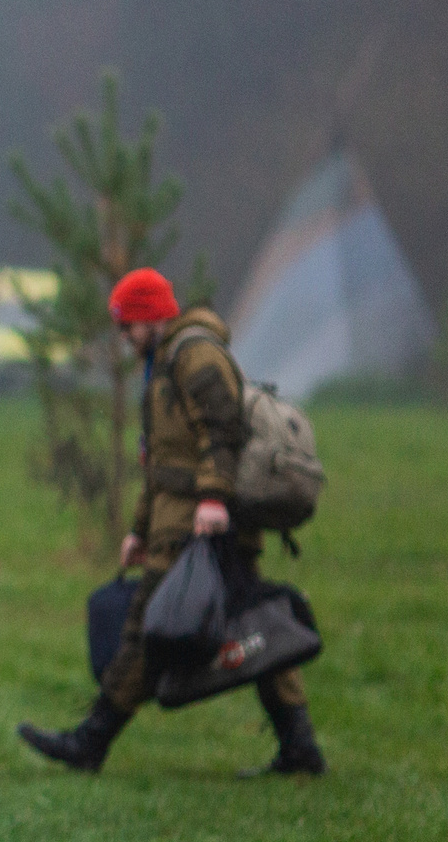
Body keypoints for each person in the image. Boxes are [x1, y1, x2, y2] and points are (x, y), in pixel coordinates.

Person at [19, 268, 326, 777]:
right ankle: (301, 750)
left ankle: (89, 744)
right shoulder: (161, 365)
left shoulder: (195, 355)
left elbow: (222, 429)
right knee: (256, 624)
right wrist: (139, 530)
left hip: (197, 523)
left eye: (127, 326)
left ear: (150, 316)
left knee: (145, 629)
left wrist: (212, 498)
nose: (123, 337)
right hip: (179, 520)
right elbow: (160, 462)